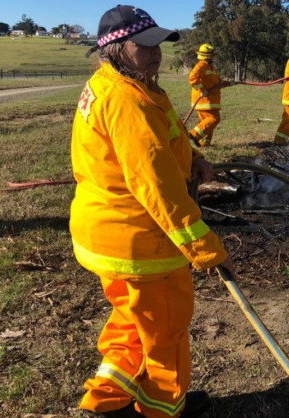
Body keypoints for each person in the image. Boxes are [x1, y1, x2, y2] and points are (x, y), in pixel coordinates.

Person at [72, 5, 235, 418]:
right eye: (143, 45)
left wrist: (194, 158)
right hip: (143, 243)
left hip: (109, 235)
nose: (156, 52)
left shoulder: (127, 85)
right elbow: (157, 187)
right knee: (166, 332)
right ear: (114, 49)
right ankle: (165, 410)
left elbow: (166, 140)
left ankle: (105, 402)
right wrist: (203, 246)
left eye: (159, 43)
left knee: (131, 323)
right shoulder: (128, 100)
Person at [188, 43, 233, 147]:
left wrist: (227, 83)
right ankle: (193, 135)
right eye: (212, 55)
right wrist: (202, 89)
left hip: (210, 99)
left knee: (207, 123)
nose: (213, 57)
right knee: (214, 119)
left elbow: (215, 83)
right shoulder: (202, 65)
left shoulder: (210, 67)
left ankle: (204, 143)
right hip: (205, 99)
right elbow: (192, 78)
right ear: (208, 56)